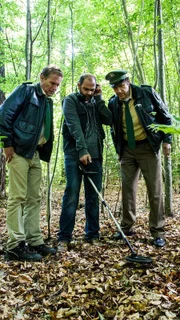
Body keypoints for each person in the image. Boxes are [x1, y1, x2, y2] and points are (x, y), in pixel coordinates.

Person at [0, 65, 63, 261]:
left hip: (35, 153)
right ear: (41, 77)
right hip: (18, 151)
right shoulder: (26, 91)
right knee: (17, 197)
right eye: (51, 82)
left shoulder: (47, 101)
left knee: (34, 198)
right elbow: (3, 114)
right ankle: (14, 245)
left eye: (57, 85)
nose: (54, 87)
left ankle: (34, 240)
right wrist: (6, 143)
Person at [105, 69, 172, 247]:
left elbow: (165, 116)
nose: (119, 91)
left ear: (128, 81)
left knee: (155, 190)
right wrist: (119, 150)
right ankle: (126, 227)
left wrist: (167, 140)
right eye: (115, 88)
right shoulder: (113, 103)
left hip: (148, 147)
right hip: (127, 149)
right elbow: (113, 127)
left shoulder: (146, 93)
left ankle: (157, 231)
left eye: (121, 86)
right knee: (128, 189)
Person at [57, 73, 112, 252]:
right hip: (74, 154)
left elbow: (109, 119)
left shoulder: (96, 101)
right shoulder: (70, 100)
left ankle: (92, 234)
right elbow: (74, 126)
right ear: (78, 85)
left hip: (96, 155)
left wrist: (99, 98)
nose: (89, 92)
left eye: (92, 89)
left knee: (93, 197)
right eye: (86, 89)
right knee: (72, 194)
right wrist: (82, 150)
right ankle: (64, 238)